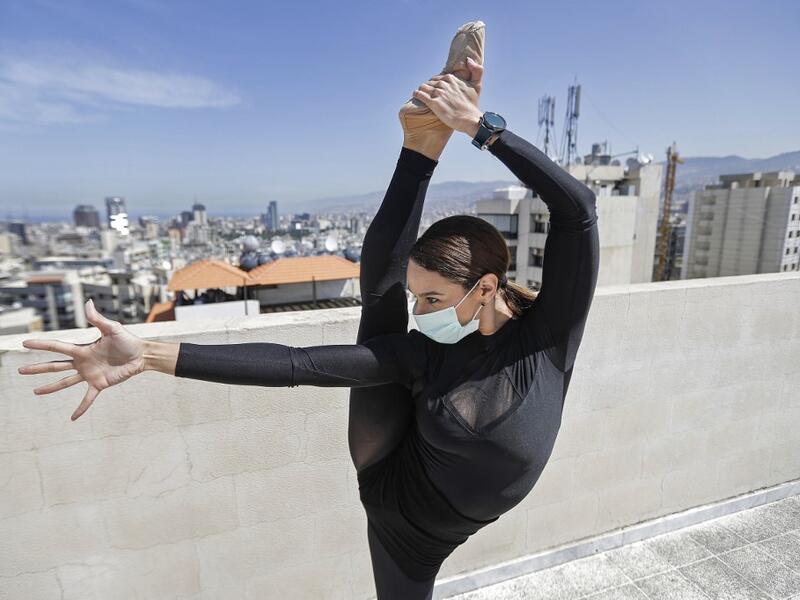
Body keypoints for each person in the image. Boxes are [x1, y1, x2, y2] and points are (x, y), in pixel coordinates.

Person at [18, 23, 599, 600]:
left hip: (456, 503)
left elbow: (577, 208)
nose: (420, 315)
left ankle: (427, 139)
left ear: (486, 287)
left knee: (381, 302)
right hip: (403, 519)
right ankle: (420, 147)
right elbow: (300, 364)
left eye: (431, 300)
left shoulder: (548, 335)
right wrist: (147, 353)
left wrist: (480, 127)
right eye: (417, 298)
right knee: (379, 304)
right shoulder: (423, 354)